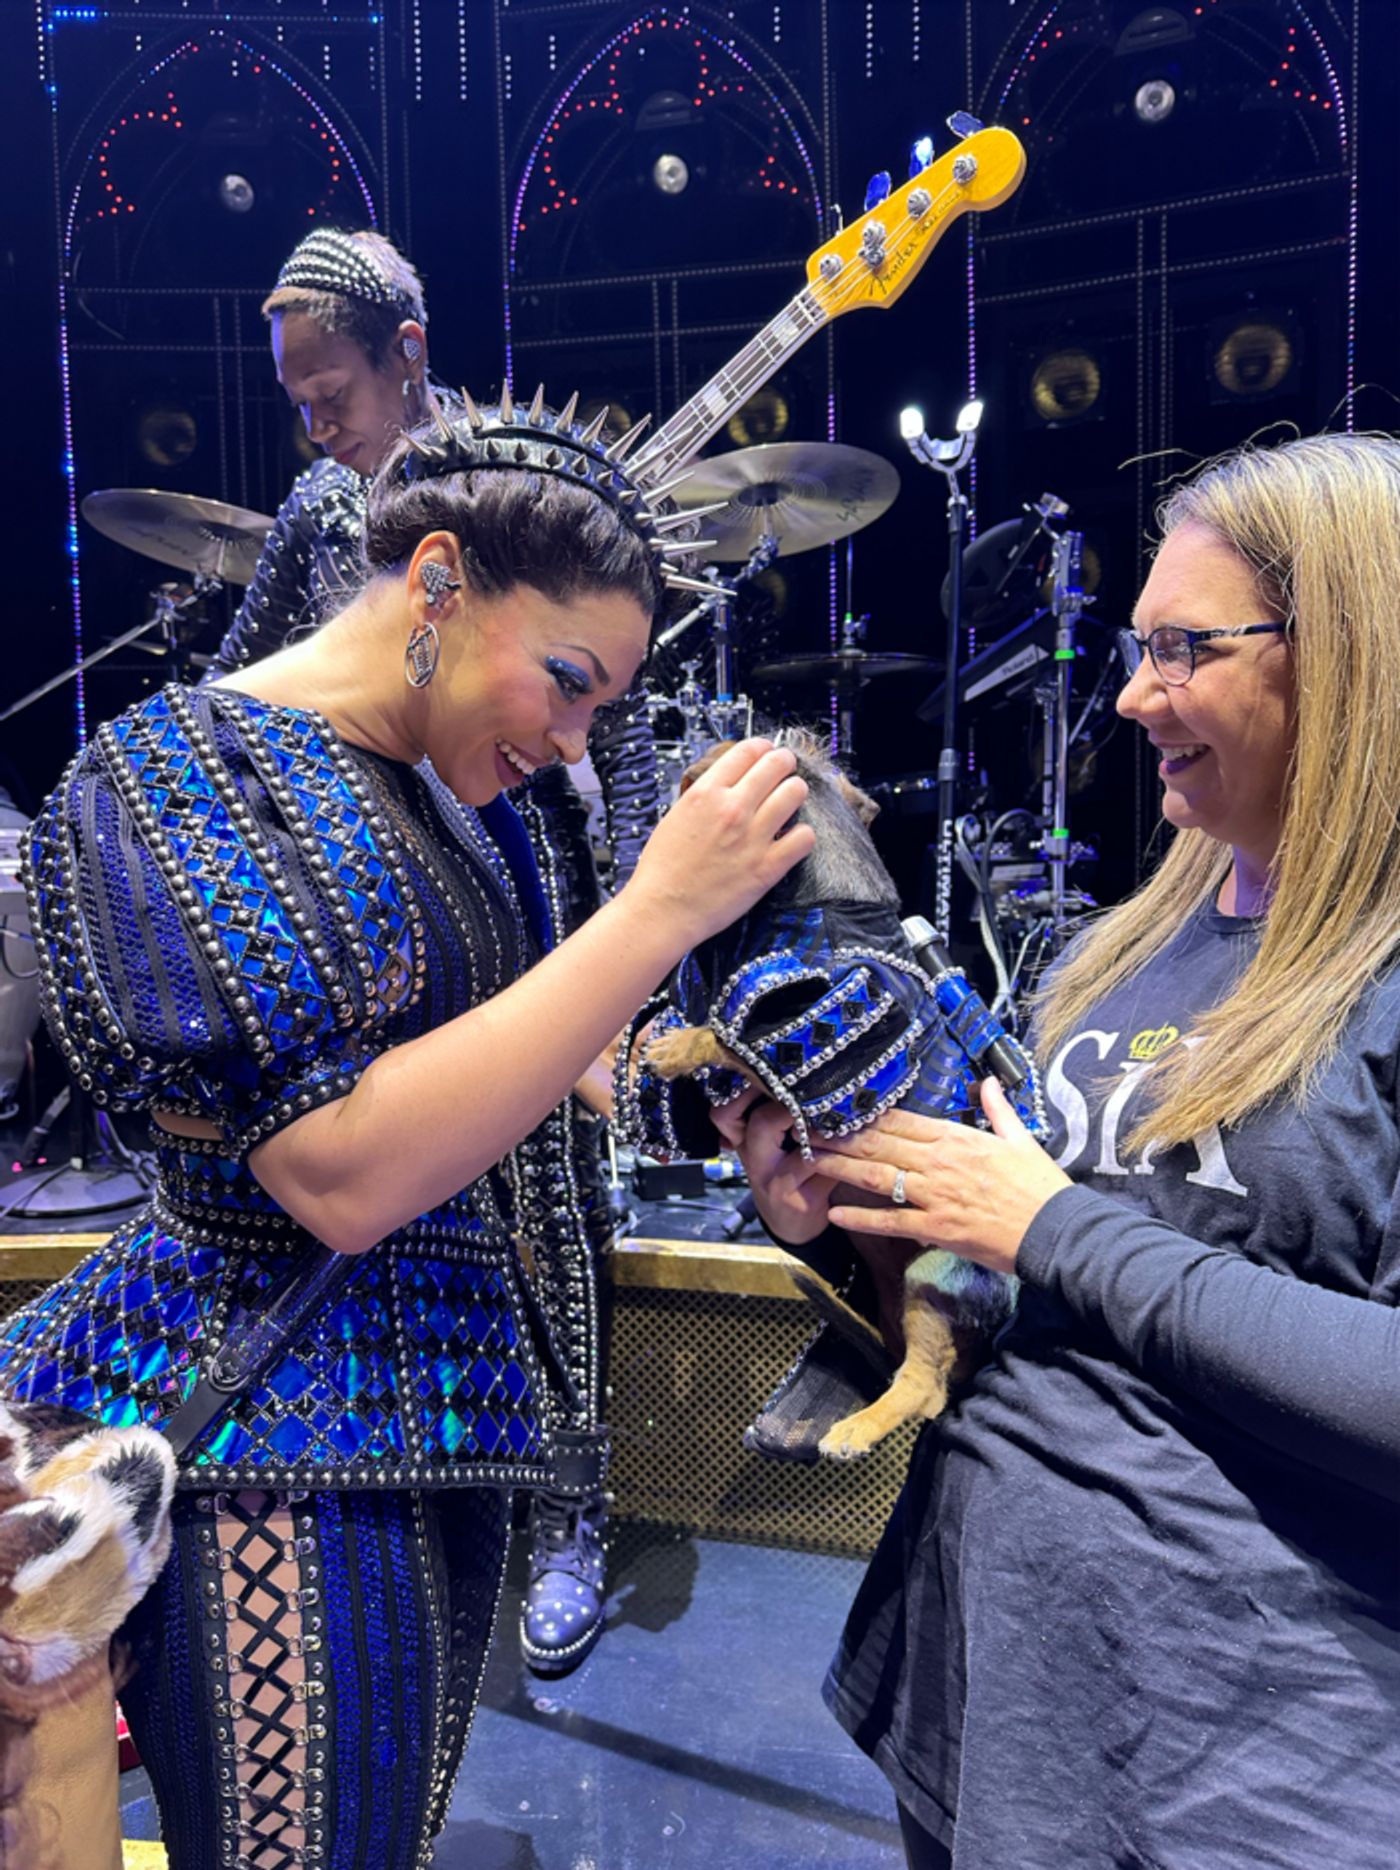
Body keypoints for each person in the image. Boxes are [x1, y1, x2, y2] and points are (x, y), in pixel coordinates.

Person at [0, 395, 813, 1866]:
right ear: (438, 580)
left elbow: (537, 1069)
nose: (576, 740)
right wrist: (656, 910)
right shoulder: (174, 774)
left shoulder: (454, 812)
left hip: (442, 1411)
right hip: (276, 1446)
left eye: (601, 710)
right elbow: (343, 1170)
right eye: (568, 682)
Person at [719, 432, 1400, 1870]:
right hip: (989, 1685)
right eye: (1138, 646)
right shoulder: (1109, 952)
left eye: (1182, 648)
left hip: (1251, 1744)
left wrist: (1052, 1224)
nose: (1134, 694)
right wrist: (828, 1223)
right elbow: (987, 1289)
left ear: (1342, 650)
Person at [214, 223, 660, 1672]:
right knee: (393, 1195)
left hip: (529, 877)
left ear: (409, 353)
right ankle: (406, 1491)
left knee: (556, 1195)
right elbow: (242, 696)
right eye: (295, 395)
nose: (318, 418)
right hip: (372, 912)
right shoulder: (310, 518)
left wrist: (637, 903)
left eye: (332, 383)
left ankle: (572, 1514)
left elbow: (626, 704)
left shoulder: (525, 481)